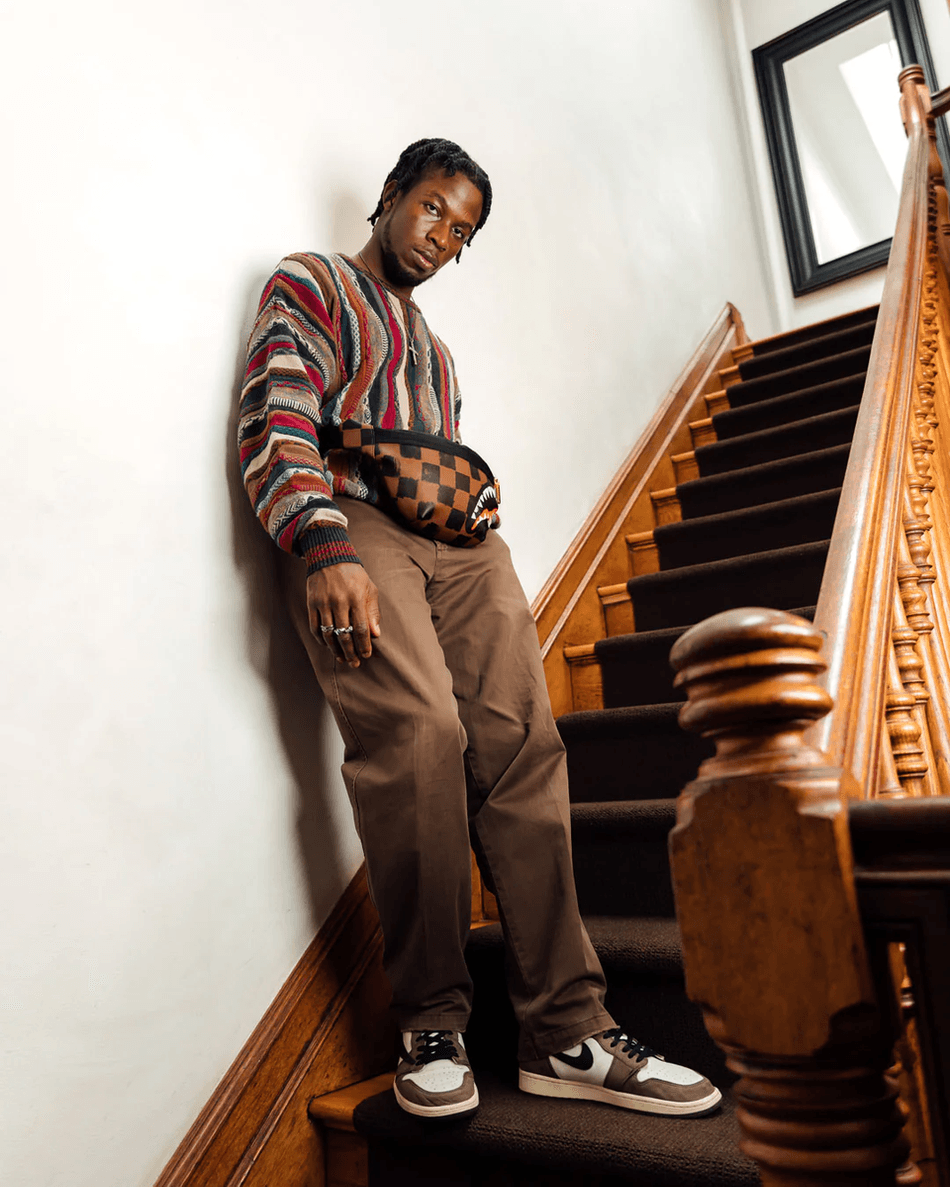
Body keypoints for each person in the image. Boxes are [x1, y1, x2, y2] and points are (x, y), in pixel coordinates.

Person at [238, 138, 721, 1121]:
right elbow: (278, 410)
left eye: (460, 231)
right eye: (432, 209)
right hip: (354, 523)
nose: (441, 237)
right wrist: (322, 543)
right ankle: (429, 1021)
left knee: (524, 745)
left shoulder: (437, 353)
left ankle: (567, 1031)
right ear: (390, 196)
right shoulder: (314, 281)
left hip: (464, 548)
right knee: (419, 736)